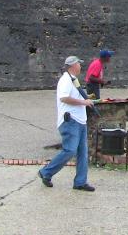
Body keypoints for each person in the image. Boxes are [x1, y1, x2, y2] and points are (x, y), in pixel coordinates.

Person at [38, 56, 96, 191]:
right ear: (73, 66)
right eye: (79, 64)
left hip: (80, 121)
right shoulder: (65, 80)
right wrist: (84, 102)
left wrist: (87, 99)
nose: (81, 66)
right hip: (70, 121)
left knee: (82, 152)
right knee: (70, 150)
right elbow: (64, 98)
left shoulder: (73, 80)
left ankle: (80, 182)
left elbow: (75, 96)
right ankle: (46, 172)